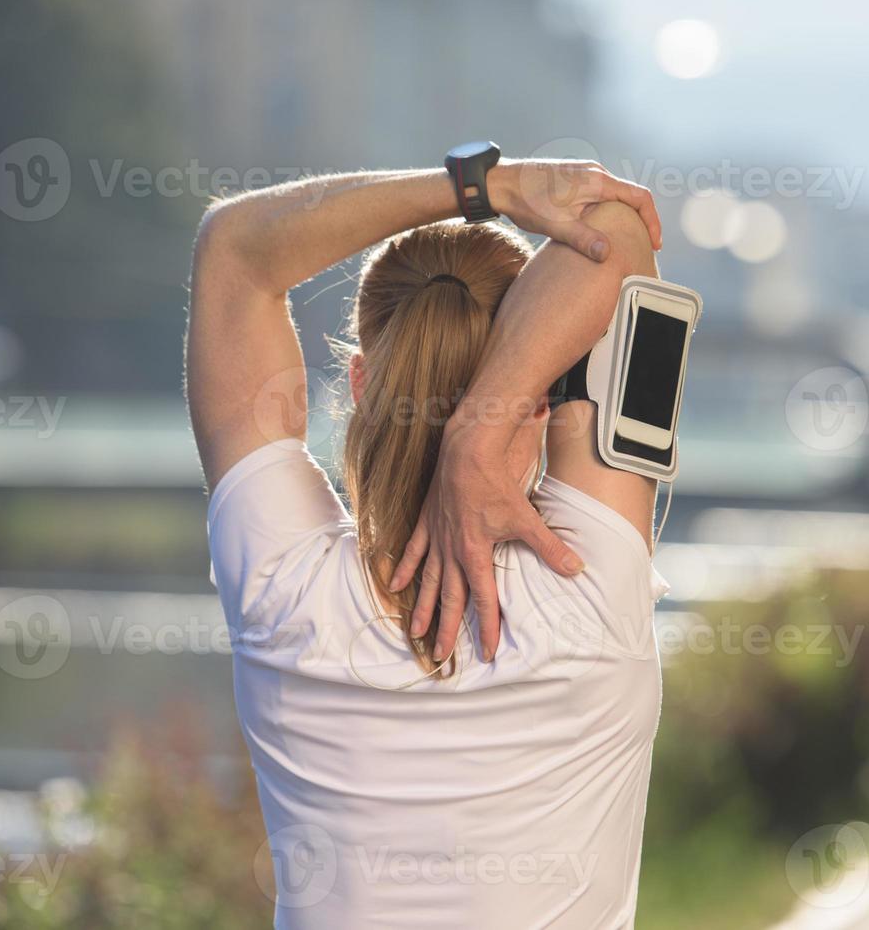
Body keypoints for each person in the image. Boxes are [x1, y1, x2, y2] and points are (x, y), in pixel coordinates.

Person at [186, 156, 671, 928]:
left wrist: (486, 187)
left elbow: (235, 250)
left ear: (358, 384)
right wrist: (479, 434)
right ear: (545, 398)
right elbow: (617, 230)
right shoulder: (590, 578)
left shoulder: (279, 586)